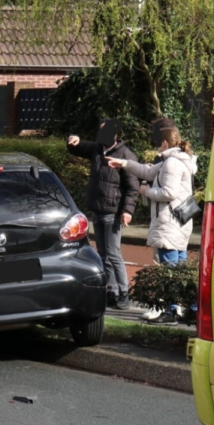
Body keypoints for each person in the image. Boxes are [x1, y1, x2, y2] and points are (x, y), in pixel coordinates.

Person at [107, 118, 198, 323]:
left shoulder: (172, 163)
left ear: (165, 143)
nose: (156, 146)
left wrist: (147, 191)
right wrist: (123, 163)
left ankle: (171, 311)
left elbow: (168, 192)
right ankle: (189, 309)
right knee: (179, 268)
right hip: (180, 219)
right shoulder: (175, 159)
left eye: (158, 142)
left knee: (169, 268)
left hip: (169, 221)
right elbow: (147, 171)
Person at [67, 119, 140, 310]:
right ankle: (113, 291)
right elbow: (77, 148)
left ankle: (124, 292)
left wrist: (127, 211)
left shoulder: (125, 155)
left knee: (114, 253)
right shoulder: (96, 149)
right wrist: (73, 139)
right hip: (97, 211)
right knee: (102, 254)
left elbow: (133, 187)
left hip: (113, 212)